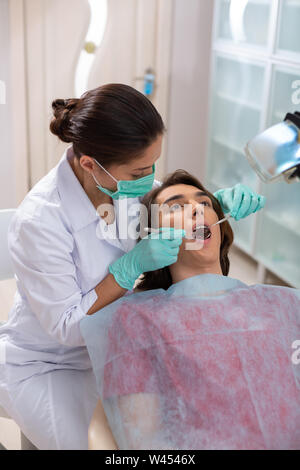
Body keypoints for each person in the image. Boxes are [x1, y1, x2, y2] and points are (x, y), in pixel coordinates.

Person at [0, 84, 264, 450]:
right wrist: (129, 267)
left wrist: (212, 203)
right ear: (90, 164)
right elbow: (67, 328)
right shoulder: (40, 221)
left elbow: (166, 202)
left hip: (117, 349)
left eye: (154, 163)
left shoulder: (124, 186)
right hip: (51, 362)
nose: (151, 176)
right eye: (140, 169)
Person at [82, 169, 300, 450]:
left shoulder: (283, 304)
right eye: (176, 207)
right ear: (153, 236)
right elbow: (143, 439)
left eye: (205, 203)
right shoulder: (138, 321)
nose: (198, 209)